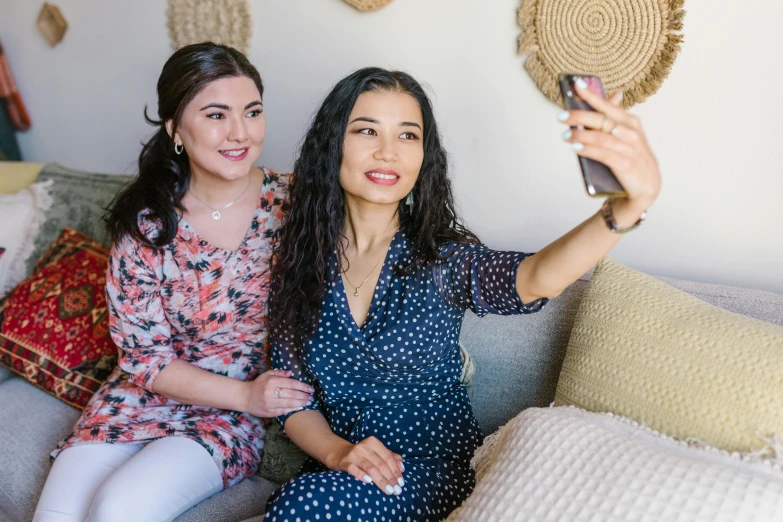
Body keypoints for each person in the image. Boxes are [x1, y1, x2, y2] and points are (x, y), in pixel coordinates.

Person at [263, 67, 661, 521]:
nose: (388, 151)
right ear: (332, 144)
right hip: (344, 475)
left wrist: (623, 211)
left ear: (424, 155)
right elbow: (294, 396)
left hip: (438, 473)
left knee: (301, 506)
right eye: (366, 130)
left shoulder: (442, 260)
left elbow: (534, 278)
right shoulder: (298, 260)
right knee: (303, 501)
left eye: (408, 136)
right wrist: (338, 453)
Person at [33, 43, 313, 522]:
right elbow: (145, 360)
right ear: (175, 130)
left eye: (252, 111)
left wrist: (250, 398)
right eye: (216, 115)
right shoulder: (147, 223)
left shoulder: (297, 206)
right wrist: (249, 395)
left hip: (224, 417)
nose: (240, 132)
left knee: (116, 510)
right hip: (137, 399)